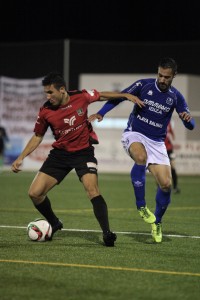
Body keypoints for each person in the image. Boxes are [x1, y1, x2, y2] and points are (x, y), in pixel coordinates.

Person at [11, 71, 141, 246]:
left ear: (62, 89)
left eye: (50, 92)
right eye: (46, 93)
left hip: (83, 153)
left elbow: (101, 95)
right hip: (60, 155)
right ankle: (55, 223)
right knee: (34, 193)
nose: (48, 96)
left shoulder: (81, 96)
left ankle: (107, 233)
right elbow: (37, 136)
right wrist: (21, 157)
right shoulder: (45, 111)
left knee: (92, 190)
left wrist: (125, 95)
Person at [89, 57, 195, 243]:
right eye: (160, 75)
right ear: (157, 72)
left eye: (166, 77)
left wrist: (188, 120)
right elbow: (119, 97)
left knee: (166, 185)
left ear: (174, 76)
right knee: (140, 156)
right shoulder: (143, 85)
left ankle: (157, 222)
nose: (162, 80)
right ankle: (141, 206)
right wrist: (101, 113)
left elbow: (191, 125)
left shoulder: (176, 96)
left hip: (157, 142)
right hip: (134, 134)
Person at [165, 122, 180, 194]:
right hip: (160, 150)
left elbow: (171, 133)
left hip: (169, 149)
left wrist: (173, 136)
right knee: (159, 168)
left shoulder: (168, 123)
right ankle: (160, 187)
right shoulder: (156, 122)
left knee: (172, 168)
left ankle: (175, 187)